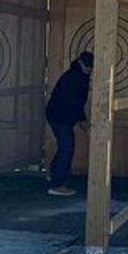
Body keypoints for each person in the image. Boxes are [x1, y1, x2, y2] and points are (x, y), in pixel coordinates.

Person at [45, 51, 92, 196]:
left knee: (64, 147)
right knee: (67, 148)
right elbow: (76, 103)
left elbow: (76, 104)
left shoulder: (76, 75)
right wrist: (83, 121)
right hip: (60, 117)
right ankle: (57, 184)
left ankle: (54, 174)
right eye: (88, 67)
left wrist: (81, 119)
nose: (89, 70)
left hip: (58, 115)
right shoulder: (76, 78)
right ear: (81, 63)